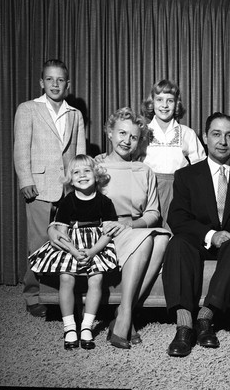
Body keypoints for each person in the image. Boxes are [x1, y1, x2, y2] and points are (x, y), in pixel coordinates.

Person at [48, 107, 170, 349]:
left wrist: (130, 224)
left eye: (134, 137)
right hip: (102, 235)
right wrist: (55, 227)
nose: (127, 141)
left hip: (132, 229)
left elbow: (153, 213)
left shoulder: (145, 171)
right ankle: (125, 318)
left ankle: (124, 313)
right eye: (122, 133)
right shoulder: (94, 166)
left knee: (162, 238)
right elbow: (71, 202)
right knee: (148, 240)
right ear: (110, 133)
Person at [162, 112, 230, 357]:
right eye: (216, 134)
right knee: (177, 243)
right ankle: (184, 325)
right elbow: (177, 218)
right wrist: (211, 234)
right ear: (205, 137)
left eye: (229, 135)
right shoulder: (186, 175)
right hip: (200, 239)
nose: (222, 141)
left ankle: (205, 318)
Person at [13, 59, 86, 317]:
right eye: (50, 79)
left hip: (67, 189)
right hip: (40, 187)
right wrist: (26, 180)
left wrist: (80, 184)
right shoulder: (28, 109)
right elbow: (21, 148)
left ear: (68, 83)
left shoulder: (75, 114)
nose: (55, 84)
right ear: (41, 82)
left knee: (67, 240)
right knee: (39, 242)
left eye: (60, 80)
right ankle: (33, 295)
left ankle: (60, 294)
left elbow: (79, 153)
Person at [29, 155, 117, 350]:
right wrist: (75, 252)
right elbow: (61, 233)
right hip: (71, 245)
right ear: (70, 178)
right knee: (66, 278)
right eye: (76, 172)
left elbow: (108, 233)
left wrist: (93, 252)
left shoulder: (105, 201)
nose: (82, 175)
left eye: (87, 170)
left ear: (96, 174)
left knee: (97, 278)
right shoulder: (68, 201)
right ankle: (69, 327)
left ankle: (86, 326)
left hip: (95, 246)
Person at [140, 79, 206, 230]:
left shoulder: (186, 133)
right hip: (148, 190)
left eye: (170, 100)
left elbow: (200, 166)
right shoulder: (143, 131)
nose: (164, 105)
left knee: (175, 233)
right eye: (159, 100)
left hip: (178, 191)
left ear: (176, 104)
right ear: (152, 103)